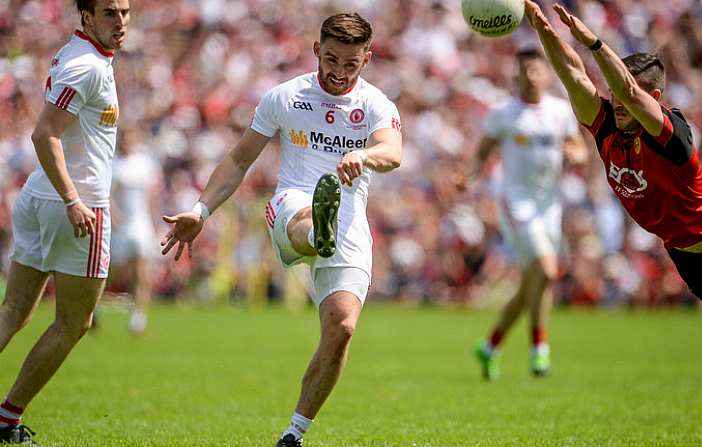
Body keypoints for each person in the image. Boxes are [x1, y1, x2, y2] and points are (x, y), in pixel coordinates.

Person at [523, 0, 702, 388]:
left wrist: (595, 43)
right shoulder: (607, 129)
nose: (615, 101)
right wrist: (543, 30)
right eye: (613, 95)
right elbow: (573, 75)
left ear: (655, 95)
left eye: (623, 94)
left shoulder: (674, 132)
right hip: (685, 252)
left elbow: (630, 93)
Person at [160, 12, 402, 446]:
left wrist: (363, 156)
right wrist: (201, 209)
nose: (340, 72)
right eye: (331, 60)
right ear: (316, 51)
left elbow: (393, 150)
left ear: (367, 58)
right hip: (292, 201)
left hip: (350, 217)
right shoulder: (285, 97)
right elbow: (238, 159)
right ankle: (315, 232)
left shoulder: (376, 104)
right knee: (305, 220)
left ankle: (294, 434)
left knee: (342, 328)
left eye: (351, 64)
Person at [0, 0, 129, 443]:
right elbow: (44, 132)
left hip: (39, 197)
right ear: (87, 16)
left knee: (14, 310)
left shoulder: (80, 55)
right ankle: (7, 418)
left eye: (126, 12)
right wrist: (74, 199)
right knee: (74, 321)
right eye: (110, 13)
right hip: (75, 204)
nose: (121, 22)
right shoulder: (88, 66)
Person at [472, 49, 586, 380]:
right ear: (516, 75)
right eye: (525, 70)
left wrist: (576, 155)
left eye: (537, 70)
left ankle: (490, 345)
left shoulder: (559, 111)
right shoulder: (504, 114)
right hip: (515, 201)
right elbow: (482, 152)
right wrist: (468, 175)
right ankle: (540, 348)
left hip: (550, 204)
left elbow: (577, 146)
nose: (531, 76)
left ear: (547, 75)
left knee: (532, 284)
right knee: (548, 272)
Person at [109, 130, 160, 335]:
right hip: (121, 225)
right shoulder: (113, 164)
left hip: (142, 223)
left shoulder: (144, 163)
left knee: (142, 269)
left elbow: (151, 195)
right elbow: (107, 195)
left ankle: (138, 317)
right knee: (115, 270)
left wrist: (155, 221)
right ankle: (94, 307)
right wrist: (114, 217)